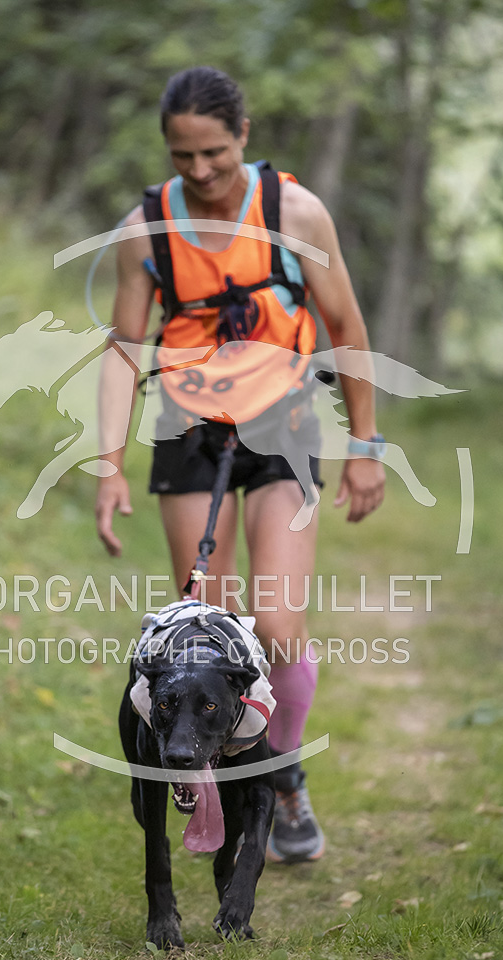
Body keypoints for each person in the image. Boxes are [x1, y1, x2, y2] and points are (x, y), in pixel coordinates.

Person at [95, 66, 385, 863]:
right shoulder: (146, 228)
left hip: (284, 425)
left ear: (243, 135)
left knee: (277, 625)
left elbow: (345, 325)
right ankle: (220, 800)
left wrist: (365, 445)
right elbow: (123, 351)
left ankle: (283, 775)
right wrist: (107, 464)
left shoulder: (295, 211)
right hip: (188, 433)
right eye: (182, 156)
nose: (200, 171)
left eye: (214, 153)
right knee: (207, 637)